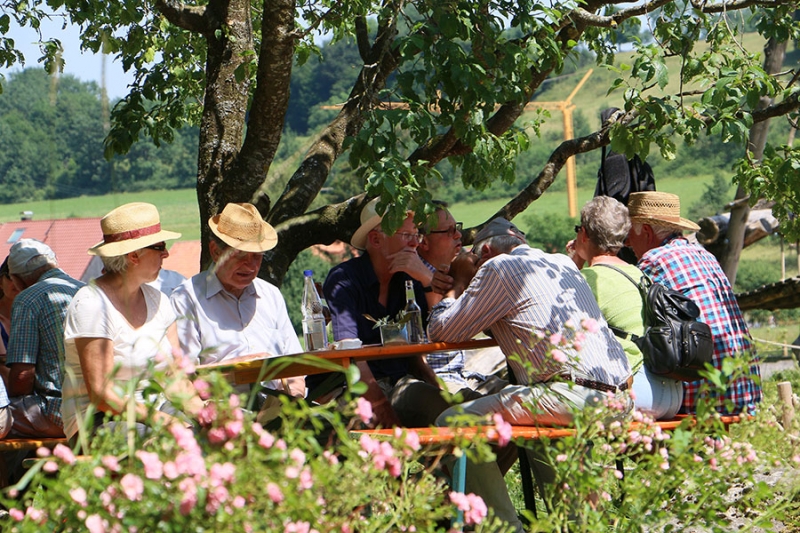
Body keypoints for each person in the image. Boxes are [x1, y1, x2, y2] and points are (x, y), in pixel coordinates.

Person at [428, 217, 632, 532]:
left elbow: (442, 331)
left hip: (570, 395)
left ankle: (505, 528)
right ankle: (575, 525)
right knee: (537, 432)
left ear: (484, 251)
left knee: (453, 424)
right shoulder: (562, 264)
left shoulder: (496, 269)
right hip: (619, 398)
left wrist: (458, 282)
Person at [62, 203, 201, 442]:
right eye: (159, 247)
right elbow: (102, 394)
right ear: (133, 255)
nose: (166, 254)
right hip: (100, 421)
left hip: (156, 411)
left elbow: (174, 376)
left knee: (217, 437)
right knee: (167, 444)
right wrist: (162, 421)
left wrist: (204, 413)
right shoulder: (92, 305)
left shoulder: (159, 300)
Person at [625, 191, 762, 415]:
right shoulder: (704, 255)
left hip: (705, 399)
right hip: (745, 390)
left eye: (630, 234)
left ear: (647, 233)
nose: (628, 243)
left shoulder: (653, 261)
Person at [321, 198, 449, 427]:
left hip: (401, 383)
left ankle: (447, 462)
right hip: (355, 388)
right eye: (406, 235)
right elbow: (351, 355)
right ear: (376, 239)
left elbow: (442, 331)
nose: (415, 244)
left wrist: (426, 277)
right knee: (448, 413)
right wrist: (383, 411)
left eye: (416, 235)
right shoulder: (344, 280)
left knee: (467, 413)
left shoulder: (409, 278)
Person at [170, 203, 304, 397]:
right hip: (221, 411)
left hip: (277, 409)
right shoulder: (186, 299)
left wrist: (296, 401)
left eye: (257, 257)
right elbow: (184, 377)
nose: (250, 266)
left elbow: (295, 365)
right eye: (241, 255)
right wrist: (240, 369)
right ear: (216, 252)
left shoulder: (271, 295)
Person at [567, 196, 682, 419]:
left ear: (583, 234)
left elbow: (562, 333)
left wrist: (575, 261)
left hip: (637, 392)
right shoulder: (639, 273)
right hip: (671, 390)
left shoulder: (588, 279)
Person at [418, 202, 505, 397]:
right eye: (449, 231)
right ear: (423, 241)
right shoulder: (411, 281)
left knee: (519, 395)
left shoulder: (456, 271)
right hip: (439, 381)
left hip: (463, 375)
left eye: (457, 228)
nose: (459, 235)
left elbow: (490, 327)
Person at [5, 239, 84, 437]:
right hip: (95, 409)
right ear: (54, 263)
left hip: (57, 412)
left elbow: (23, 376)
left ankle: (19, 469)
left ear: (16, 279)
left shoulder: (28, 299)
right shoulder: (88, 291)